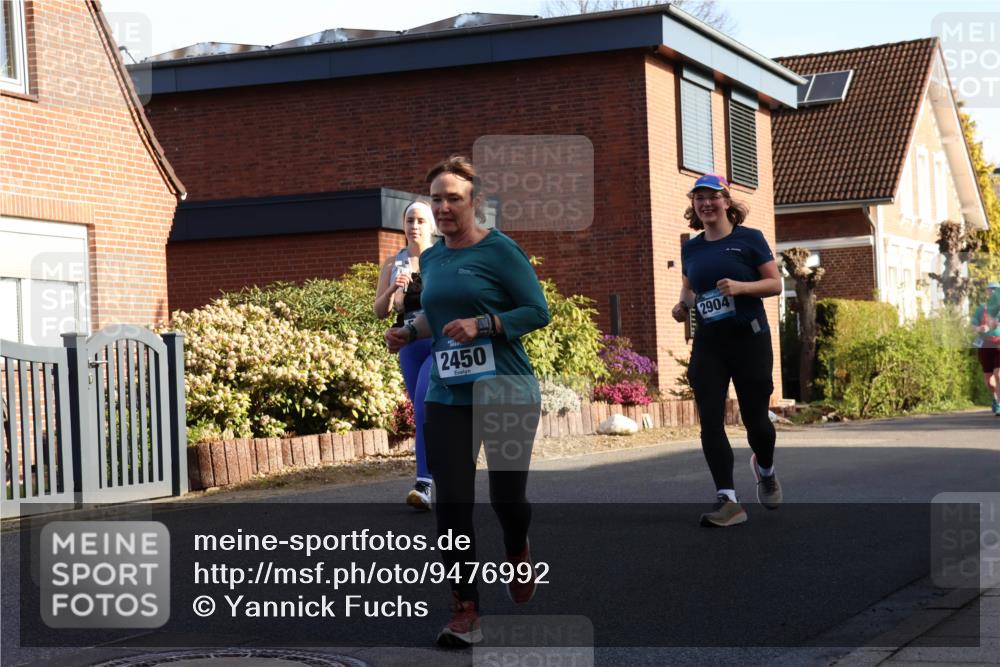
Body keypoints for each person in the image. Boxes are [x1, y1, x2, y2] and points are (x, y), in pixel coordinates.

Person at [385, 155, 550, 647]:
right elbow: (437, 317)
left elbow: (536, 311)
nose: (443, 207)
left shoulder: (501, 251)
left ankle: (518, 548)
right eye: (436, 198)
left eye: (453, 198)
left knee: (506, 500)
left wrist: (486, 324)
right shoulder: (431, 258)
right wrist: (409, 329)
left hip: (505, 388)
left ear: (475, 203)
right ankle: (465, 610)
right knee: (452, 503)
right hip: (448, 391)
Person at [671, 173, 783, 527]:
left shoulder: (749, 239)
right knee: (710, 419)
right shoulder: (691, 247)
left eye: (712, 197)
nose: (706, 204)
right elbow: (690, 288)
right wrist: (682, 305)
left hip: (750, 339)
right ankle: (728, 500)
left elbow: (775, 283)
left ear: (726, 201)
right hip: (709, 343)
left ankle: (764, 469)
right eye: (699, 198)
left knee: (756, 422)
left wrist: (741, 287)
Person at [374, 201, 437, 509]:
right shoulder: (392, 263)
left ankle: (424, 482)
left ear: (432, 226)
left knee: (425, 406)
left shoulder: (442, 259)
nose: (415, 226)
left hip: (438, 343)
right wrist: (392, 291)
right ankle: (434, 473)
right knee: (421, 414)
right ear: (403, 225)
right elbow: (379, 311)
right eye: (410, 220)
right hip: (408, 346)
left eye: (421, 220)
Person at [971, 281, 1000, 416]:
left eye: (996, 290)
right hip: (985, 343)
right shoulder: (981, 309)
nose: (993, 292)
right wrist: (979, 328)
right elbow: (972, 326)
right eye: (991, 290)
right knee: (989, 381)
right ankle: (995, 398)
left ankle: (999, 404)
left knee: (998, 375)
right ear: (987, 293)